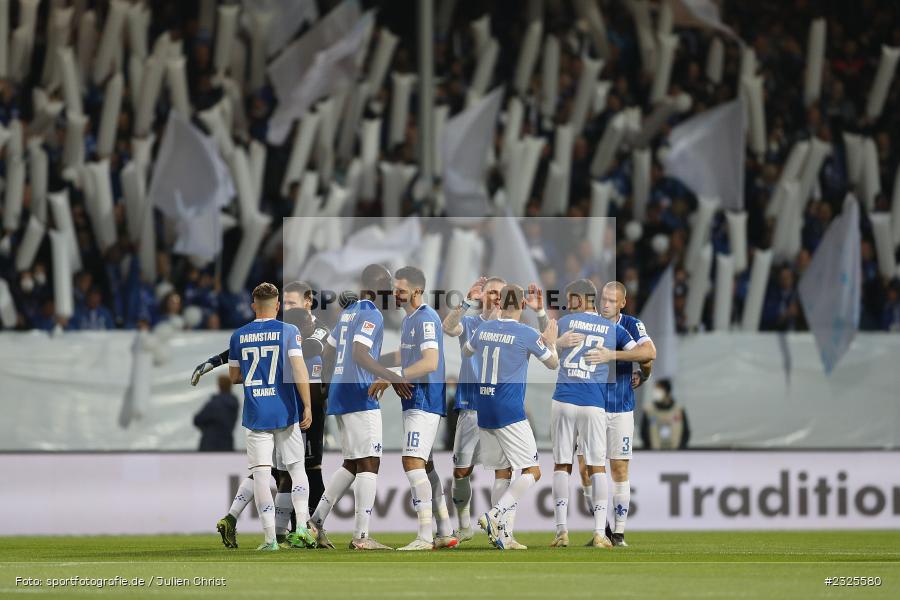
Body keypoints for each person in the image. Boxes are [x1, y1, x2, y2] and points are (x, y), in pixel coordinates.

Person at [309, 264, 411, 550]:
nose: (390, 290)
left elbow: (328, 351)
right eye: (387, 284)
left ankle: (315, 522)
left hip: (341, 392)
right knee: (370, 462)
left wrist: (327, 383)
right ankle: (361, 537)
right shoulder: (371, 313)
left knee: (352, 463)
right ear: (375, 286)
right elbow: (360, 354)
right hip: (359, 392)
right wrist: (393, 377)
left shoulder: (348, 313)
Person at [549, 279, 647, 548]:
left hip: (564, 398)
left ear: (580, 300)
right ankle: (600, 533)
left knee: (562, 465)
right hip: (594, 403)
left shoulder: (566, 322)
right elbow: (643, 354)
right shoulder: (611, 328)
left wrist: (556, 341)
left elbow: (544, 351)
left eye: (571, 299)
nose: (568, 304)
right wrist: (622, 360)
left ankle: (562, 532)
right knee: (596, 468)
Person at [463, 284, 560, 550]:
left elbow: (466, 352)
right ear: (522, 305)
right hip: (509, 410)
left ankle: (503, 537)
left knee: (502, 472)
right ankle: (494, 516)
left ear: (499, 304)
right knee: (532, 470)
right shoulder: (526, 333)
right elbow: (553, 364)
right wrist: (551, 341)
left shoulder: (483, 328)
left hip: (484, 407)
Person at [369, 266, 457, 550]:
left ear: (417, 290)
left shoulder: (426, 318)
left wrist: (392, 377)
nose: (395, 293)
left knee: (411, 461)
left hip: (424, 399)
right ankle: (445, 531)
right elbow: (404, 354)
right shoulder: (410, 319)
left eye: (401, 290)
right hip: (414, 399)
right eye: (395, 289)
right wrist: (373, 361)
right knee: (426, 465)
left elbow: (430, 362)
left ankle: (424, 536)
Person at [226, 282, 315, 551]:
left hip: (256, 413)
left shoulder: (238, 336)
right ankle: (302, 528)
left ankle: (269, 540)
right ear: (277, 305)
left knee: (262, 477)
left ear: (254, 306)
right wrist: (307, 405)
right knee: (297, 469)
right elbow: (299, 370)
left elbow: (234, 377)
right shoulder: (289, 331)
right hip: (285, 410)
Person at [575, 281, 656, 547]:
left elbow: (649, 354)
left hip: (620, 407)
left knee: (618, 468)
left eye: (612, 300)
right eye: (604, 299)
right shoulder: (590, 324)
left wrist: (640, 372)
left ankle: (619, 535)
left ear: (622, 303)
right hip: (591, 408)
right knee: (585, 469)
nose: (606, 304)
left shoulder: (631, 325)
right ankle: (603, 531)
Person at [640, 379, 690, 450]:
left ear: (667, 391)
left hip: (676, 453)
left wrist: (681, 449)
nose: (656, 392)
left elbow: (685, 434)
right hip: (653, 453)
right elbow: (644, 434)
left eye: (659, 389)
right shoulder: (649, 411)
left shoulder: (679, 410)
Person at [193, 375, 239, 452]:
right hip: (227, 443)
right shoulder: (234, 403)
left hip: (210, 444)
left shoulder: (215, 403)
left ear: (219, 385)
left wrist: (205, 428)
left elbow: (197, 419)